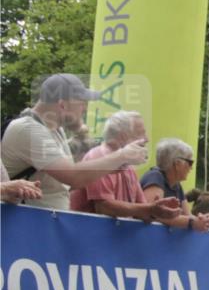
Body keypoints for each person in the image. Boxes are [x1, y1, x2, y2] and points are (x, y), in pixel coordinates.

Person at [1, 73, 148, 210]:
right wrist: (123, 155)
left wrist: (112, 162)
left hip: (39, 223)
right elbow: (74, 177)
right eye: (82, 103)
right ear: (63, 105)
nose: (84, 108)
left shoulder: (55, 129)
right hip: (24, 226)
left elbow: (68, 182)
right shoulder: (29, 129)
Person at [69, 111, 181, 223]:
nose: (147, 139)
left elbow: (142, 210)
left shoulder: (128, 167)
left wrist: (157, 210)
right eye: (141, 133)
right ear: (123, 136)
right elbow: (103, 208)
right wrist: (150, 209)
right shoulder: (99, 156)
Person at [136, 138, 209, 231]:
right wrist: (192, 222)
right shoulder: (155, 177)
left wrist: (202, 220)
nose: (191, 168)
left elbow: (187, 215)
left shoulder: (176, 184)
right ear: (177, 163)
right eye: (190, 162)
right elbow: (152, 213)